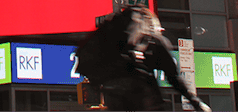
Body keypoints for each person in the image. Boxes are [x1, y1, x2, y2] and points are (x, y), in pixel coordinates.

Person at [76, 7, 211, 111]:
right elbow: (174, 78)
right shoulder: (155, 40)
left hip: (112, 90)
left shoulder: (112, 33)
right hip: (138, 90)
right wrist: (195, 102)